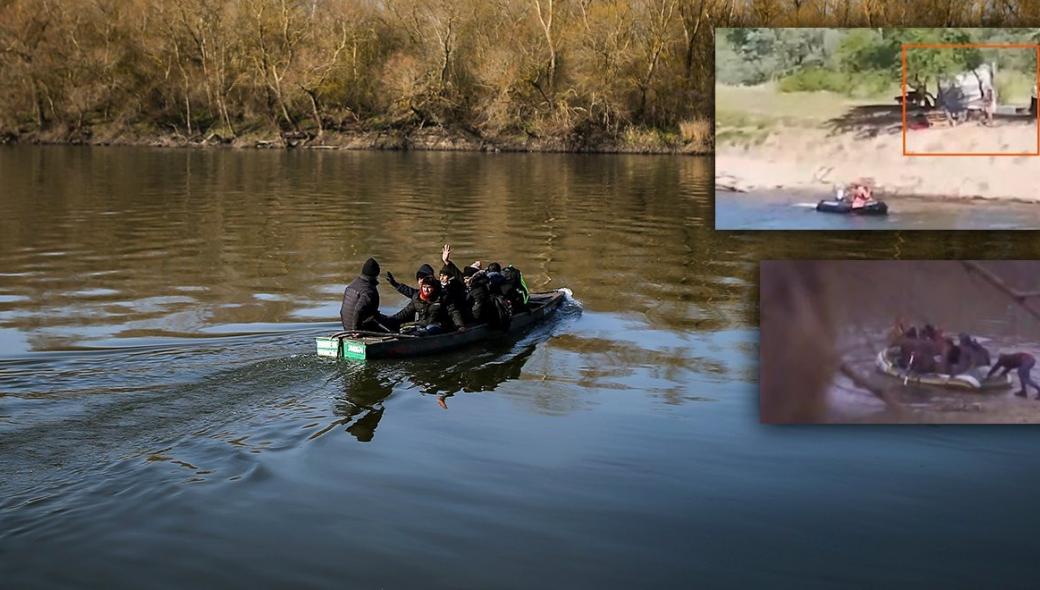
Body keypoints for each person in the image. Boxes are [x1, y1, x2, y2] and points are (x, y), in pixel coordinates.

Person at [390, 276, 458, 336]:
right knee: (405, 329)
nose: (426, 290)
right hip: (421, 325)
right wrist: (390, 319)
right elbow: (405, 312)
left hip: (439, 326)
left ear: (434, 288)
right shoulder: (417, 298)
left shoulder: (443, 298)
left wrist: (460, 326)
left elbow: (453, 312)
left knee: (429, 329)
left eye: (429, 287)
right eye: (424, 287)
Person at [340, 257, 392, 332]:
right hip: (358, 330)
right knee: (393, 326)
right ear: (376, 275)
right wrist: (356, 330)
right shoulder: (368, 290)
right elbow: (358, 309)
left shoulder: (352, 285)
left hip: (347, 328)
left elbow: (342, 311)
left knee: (384, 319)